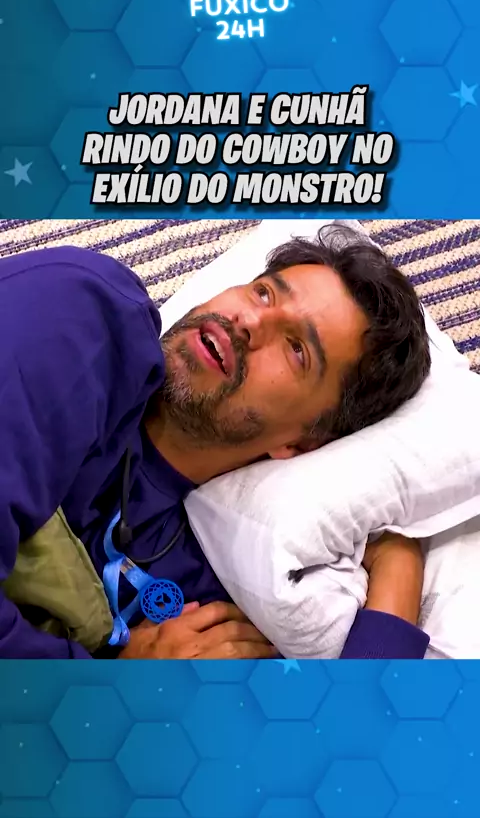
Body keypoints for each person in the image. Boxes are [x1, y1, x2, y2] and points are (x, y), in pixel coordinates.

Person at [0, 226, 431, 659]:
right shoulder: (89, 317)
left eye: (296, 348)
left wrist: (398, 560)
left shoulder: (234, 596)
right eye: (264, 293)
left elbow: (360, 702)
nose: (250, 321)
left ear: (303, 444)